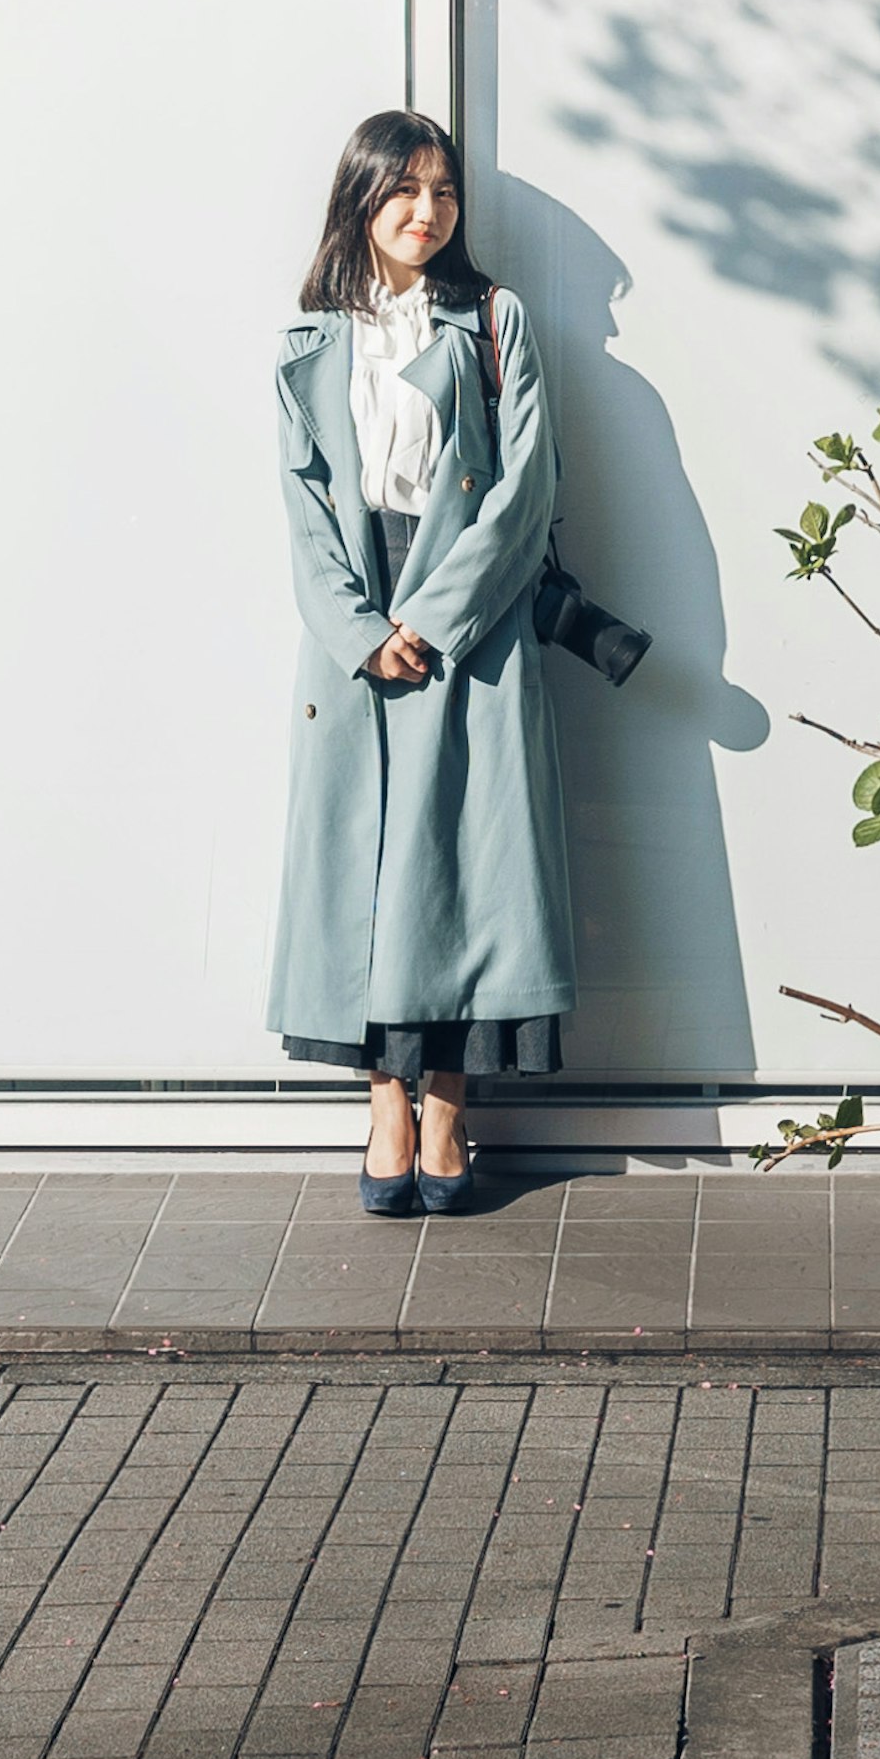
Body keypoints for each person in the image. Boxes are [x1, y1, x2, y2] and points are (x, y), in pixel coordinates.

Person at [268, 110, 576, 1214]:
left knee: (465, 870)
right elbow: (304, 510)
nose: (427, 210)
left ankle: (445, 1103)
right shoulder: (314, 342)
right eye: (403, 189)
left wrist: (436, 618)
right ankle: (383, 1102)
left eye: (443, 190)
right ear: (359, 198)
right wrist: (361, 629)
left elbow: (525, 489)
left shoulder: (496, 319)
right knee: (368, 871)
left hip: (469, 617)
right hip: (357, 623)